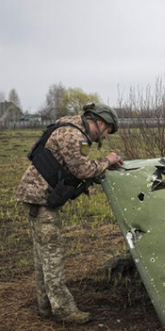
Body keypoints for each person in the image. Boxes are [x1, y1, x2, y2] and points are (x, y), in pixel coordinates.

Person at [15, 103, 123, 324]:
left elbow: (76, 165)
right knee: (52, 256)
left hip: (35, 196)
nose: (103, 136)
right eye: (107, 131)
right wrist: (108, 160)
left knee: (43, 256)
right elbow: (82, 170)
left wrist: (102, 165)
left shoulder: (69, 127)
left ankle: (46, 306)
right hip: (40, 198)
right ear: (100, 123)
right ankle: (64, 311)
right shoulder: (75, 135)